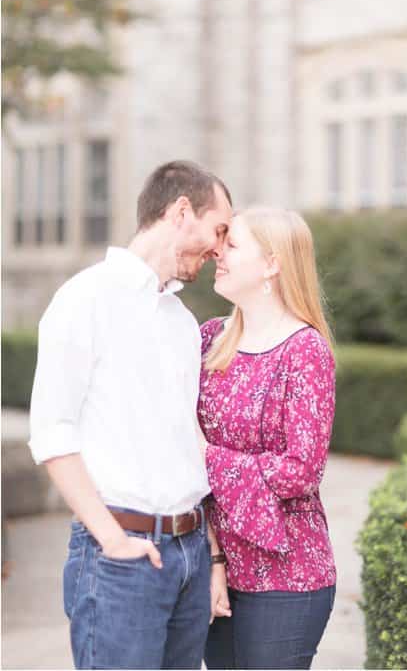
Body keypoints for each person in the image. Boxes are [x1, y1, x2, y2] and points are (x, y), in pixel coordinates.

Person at [28, 161, 233, 669]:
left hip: (189, 556)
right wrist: (114, 540)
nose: (220, 248)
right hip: (120, 559)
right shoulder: (84, 300)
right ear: (182, 211)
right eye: (219, 229)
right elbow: (52, 434)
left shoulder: (181, 322)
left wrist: (210, 557)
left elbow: (189, 446)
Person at [198, 207, 337, 670]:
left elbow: (301, 470)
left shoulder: (306, 351)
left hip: (288, 576)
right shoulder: (209, 340)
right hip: (217, 568)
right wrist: (214, 560)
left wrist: (206, 458)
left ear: (273, 263)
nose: (218, 252)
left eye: (232, 245)